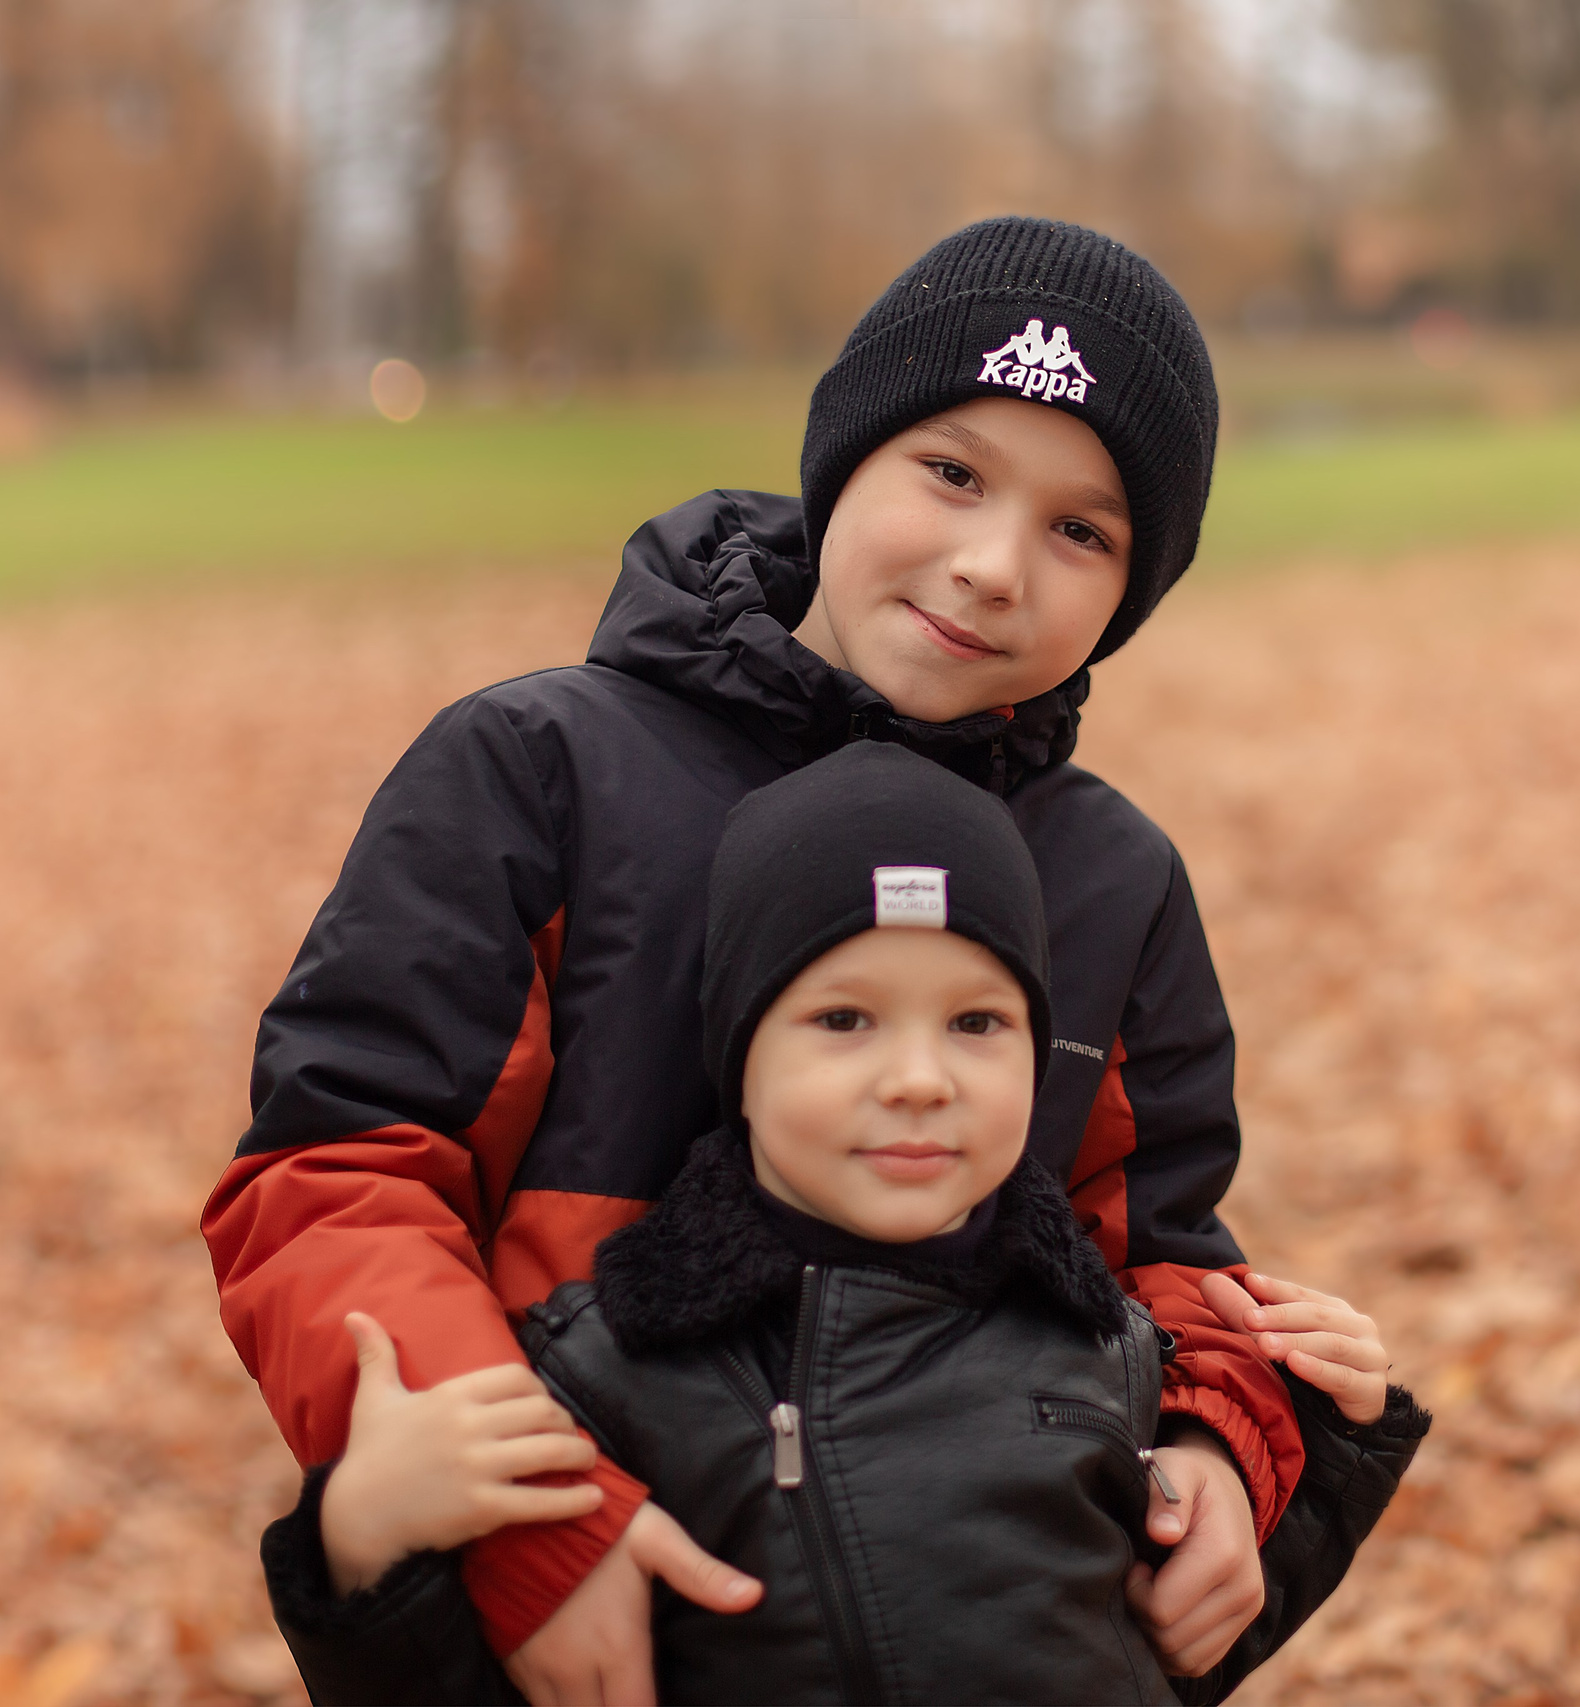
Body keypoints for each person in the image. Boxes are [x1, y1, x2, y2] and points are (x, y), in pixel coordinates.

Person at [205, 217, 1318, 1701]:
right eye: (952, 471)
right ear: (843, 452)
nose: (993, 566)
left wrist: (1221, 1445)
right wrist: (528, 1518)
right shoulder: (539, 772)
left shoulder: (1110, 879)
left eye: (1083, 529)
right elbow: (334, 1178)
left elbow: (1164, 1259)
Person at [258, 743, 1427, 1705]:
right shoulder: (604, 1377)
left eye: (977, 1023)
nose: (920, 1078)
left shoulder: (1105, 1355)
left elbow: (1164, 1656)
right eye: (844, 1019)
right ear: (741, 1067)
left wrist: (1325, 1452)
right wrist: (363, 1543)